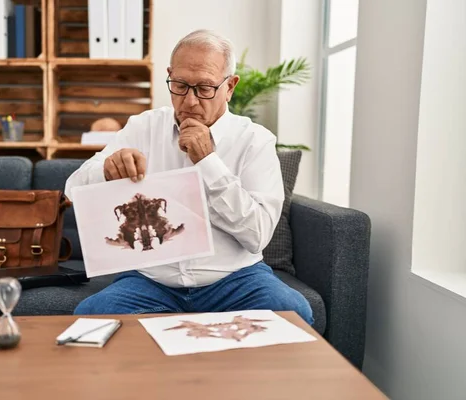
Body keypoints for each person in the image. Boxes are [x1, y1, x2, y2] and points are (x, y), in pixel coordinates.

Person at [65, 29, 313, 325]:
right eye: (180, 85)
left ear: (230, 87)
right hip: (152, 281)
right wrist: (105, 171)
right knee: (90, 317)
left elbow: (257, 236)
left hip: (235, 279)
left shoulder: (255, 141)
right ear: (170, 75)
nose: (191, 101)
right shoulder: (143, 127)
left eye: (205, 88)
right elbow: (72, 191)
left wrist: (209, 163)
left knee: (293, 312)